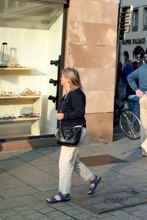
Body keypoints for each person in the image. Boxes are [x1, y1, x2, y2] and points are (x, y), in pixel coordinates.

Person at [46, 68, 101, 203]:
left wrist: (64, 116)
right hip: (68, 130)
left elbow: (79, 113)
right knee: (73, 161)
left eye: (62, 77)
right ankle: (93, 178)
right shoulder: (67, 93)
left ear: (69, 79)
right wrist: (59, 128)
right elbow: (64, 113)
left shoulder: (76, 94)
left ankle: (64, 193)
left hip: (75, 132)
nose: (60, 79)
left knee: (65, 163)